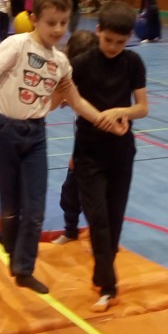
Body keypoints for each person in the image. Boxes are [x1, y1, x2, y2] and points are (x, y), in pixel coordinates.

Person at [0, 0, 127, 295]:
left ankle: (24, 269)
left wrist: (106, 121)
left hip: (35, 134)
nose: (58, 30)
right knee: (10, 204)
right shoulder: (17, 45)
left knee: (35, 208)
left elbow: (77, 102)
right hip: (3, 130)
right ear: (34, 18)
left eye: (63, 23)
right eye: (52, 23)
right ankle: (13, 253)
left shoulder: (61, 63)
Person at [71, 0, 149, 311]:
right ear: (98, 30)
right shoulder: (81, 64)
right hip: (89, 155)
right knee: (99, 220)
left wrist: (121, 111)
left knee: (114, 221)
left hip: (121, 153)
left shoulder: (133, 63)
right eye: (108, 40)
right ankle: (108, 287)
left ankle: (101, 274)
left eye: (121, 41)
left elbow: (142, 107)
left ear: (129, 37)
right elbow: (68, 99)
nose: (114, 47)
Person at [52, 30, 98, 245]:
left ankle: (98, 235)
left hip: (93, 150)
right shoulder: (74, 79)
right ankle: (70, 231)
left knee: (90, 197)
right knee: (69, 194)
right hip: (82, 147)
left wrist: (77, 154)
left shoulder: (94, 88)